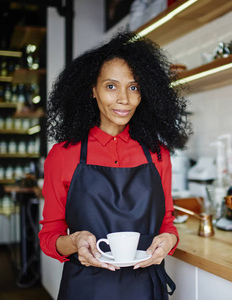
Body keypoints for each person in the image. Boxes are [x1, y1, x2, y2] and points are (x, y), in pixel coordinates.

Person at [38, 29, 191, 300]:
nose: (124, 99)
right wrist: (73, 243)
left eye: (134, 87)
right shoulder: (63, 155)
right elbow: (50, 235)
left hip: (146, 288)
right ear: (92, 90)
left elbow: (167, 222)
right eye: (111, 86)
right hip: (85, 288)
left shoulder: (158, 154)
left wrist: (169, 240)